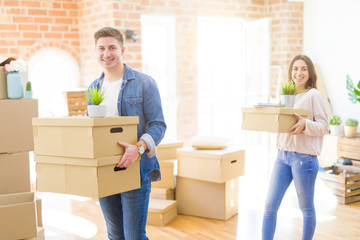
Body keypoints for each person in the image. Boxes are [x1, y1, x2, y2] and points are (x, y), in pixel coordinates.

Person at [87, 27, 166, 240]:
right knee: (115, 234)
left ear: (122, 49)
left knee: (134, 236)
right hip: (105, 172)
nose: (106, 53)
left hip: (135, 169)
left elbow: (159, 125)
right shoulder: (93, 88)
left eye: (112, 47)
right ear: (95, 52)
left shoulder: (144, 83)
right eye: (101, 48)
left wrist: (138, 148)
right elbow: (92, 131)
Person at [262, 55, 329, 240]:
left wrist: (305, 125)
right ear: (291, 72)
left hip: (304, 160)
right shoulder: (287, 96)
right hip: (282, 156)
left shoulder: (314, 95)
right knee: (269, 206)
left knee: (306, 209)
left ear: (310, 73)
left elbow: (324, 127)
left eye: (303, 69)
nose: (299, 73)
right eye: (295, 69)